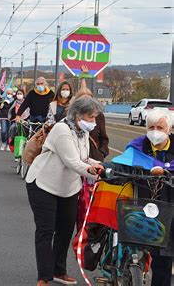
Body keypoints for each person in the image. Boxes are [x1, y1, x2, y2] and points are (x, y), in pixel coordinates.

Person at [25, 96, 104, 285]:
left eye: (94, 118)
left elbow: (83, 158)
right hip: (43, 184)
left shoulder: (81, 131)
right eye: (90, 117)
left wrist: (102, 166)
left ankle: (58, 271)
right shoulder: (62, 130)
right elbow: (73, 162)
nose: (93, 122)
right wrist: (96, 173)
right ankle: (44, 276)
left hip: (68, 188)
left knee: (66, 229)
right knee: (46, 230)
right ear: (77, 115)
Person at [104, 109, 173, 286]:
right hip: (139, 205)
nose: (155, 131)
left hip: (168, 207)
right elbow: (122, 163)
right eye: (151, 127)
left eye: (160, 127)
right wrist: (103, 167)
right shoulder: (138, 147)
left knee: (163, 261)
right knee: (131, 243)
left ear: (170, 129)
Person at [77, 65, 109, 161]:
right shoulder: (73, 116)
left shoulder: (99, 116)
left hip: (95, 159)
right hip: (77, 160)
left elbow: (104, 138)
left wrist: (102, 152)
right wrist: (82, 77)